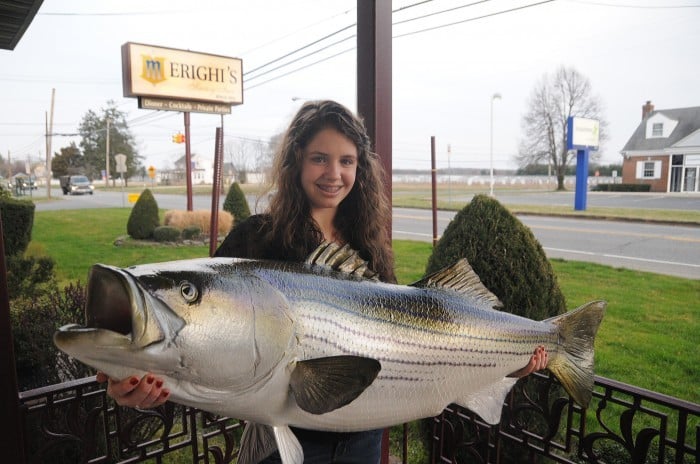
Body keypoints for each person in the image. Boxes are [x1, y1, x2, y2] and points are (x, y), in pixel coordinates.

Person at [96, 99, 547, 463]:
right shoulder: (256, 237)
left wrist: (503, 358)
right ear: (297, 160)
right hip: (280, 440)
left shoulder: (367, 243)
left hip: (363, 440)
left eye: (346, 161)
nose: (334, 174)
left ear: (360, 168)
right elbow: (199, 331)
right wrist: (142, 381)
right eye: (319, 159)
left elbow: (401, 330)